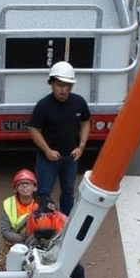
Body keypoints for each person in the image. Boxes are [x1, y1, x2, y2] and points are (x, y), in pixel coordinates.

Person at [28, 61, 90, 215]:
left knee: (68, 192)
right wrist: (47, 150)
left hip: (70, 157)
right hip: (47, 160)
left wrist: (81, 146)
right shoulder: (44, 105)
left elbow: (85, 122)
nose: (64, 89)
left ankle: (66, 223)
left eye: (68, 86)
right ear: (52, 84)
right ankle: (43, 226)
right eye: (60, 85)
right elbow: (33, 128)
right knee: (43, 193)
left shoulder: (79, 103)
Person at [25, 196, 95, 278]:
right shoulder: (34, 217)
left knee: (76, 268)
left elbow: (67, 236)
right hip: (40, 249)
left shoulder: (60, 218)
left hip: (58, 247)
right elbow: (29, 237)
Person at [0, 168, 40, 245]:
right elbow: (5, 231)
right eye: (21, 184)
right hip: (17, 238)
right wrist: (22, 240)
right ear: (15, 189)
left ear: (35, 188)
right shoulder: (9, 204)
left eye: (28, 183)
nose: (24, 186)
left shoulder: (42, 204)